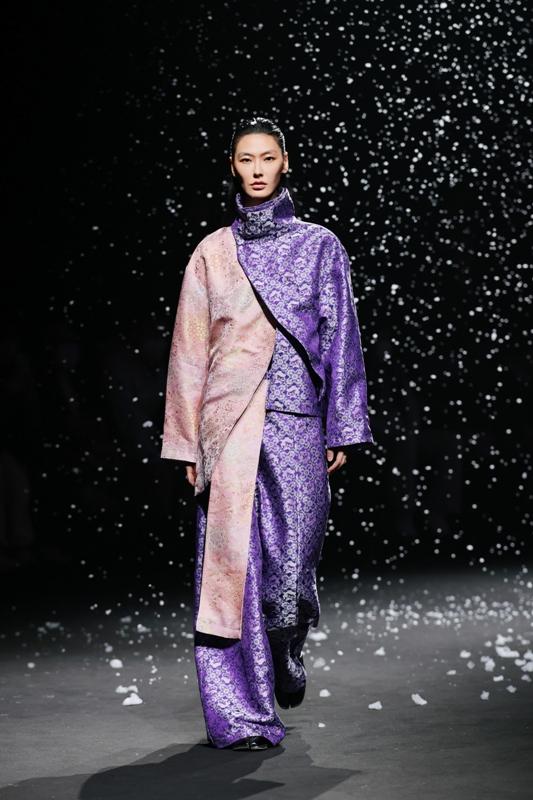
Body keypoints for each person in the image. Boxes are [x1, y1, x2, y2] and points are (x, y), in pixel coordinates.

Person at [160, 115, 375, 751]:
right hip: (226, 426)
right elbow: (188, 353)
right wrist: (185, 442)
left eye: (267, 158)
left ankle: (285, 644)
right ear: (233, 166)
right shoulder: (212, 251)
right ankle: (242, 717)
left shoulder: (319, 246)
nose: (256, 169)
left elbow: (341, 337)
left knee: (289, 573)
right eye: (245, 159)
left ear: (285, 163)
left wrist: (341, 423)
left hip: (297, 422)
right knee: (229, 572)